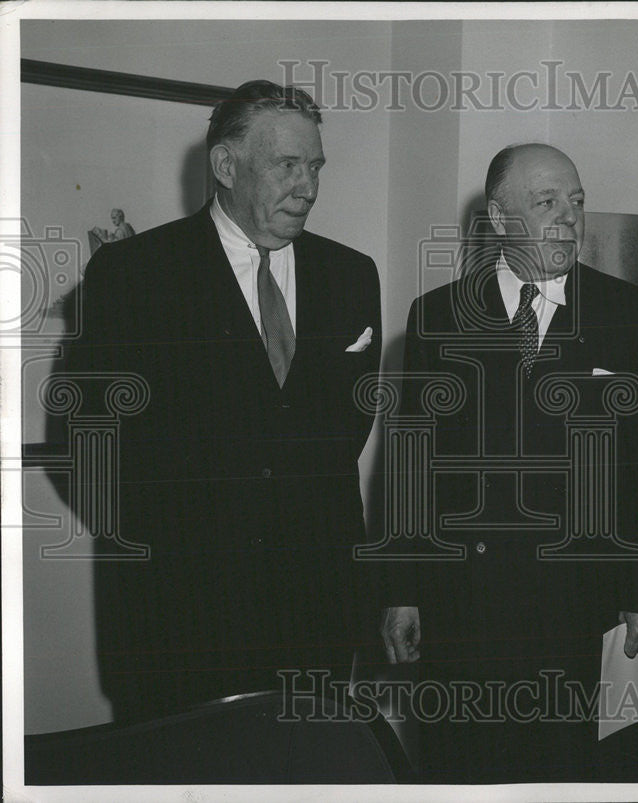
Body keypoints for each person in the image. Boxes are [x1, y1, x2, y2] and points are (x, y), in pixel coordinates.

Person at [64, 80, 382, 721]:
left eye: (315, 166)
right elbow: (91, 450)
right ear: (226, 165)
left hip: (318, 619)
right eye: (287, 165)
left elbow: (346, 430)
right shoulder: (134, 274)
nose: (309, 186)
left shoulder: (352, 275)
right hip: (180, 624)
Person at [380, 143, 638, 782]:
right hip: (462, 600)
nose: (569, 217)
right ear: (497, 217)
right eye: (546, 203)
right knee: (458, 767)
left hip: (569, 600)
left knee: (556, 770)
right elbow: (410, 468)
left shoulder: (630, 316)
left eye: (577, 201)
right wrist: (401, 591)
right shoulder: (435, 318)